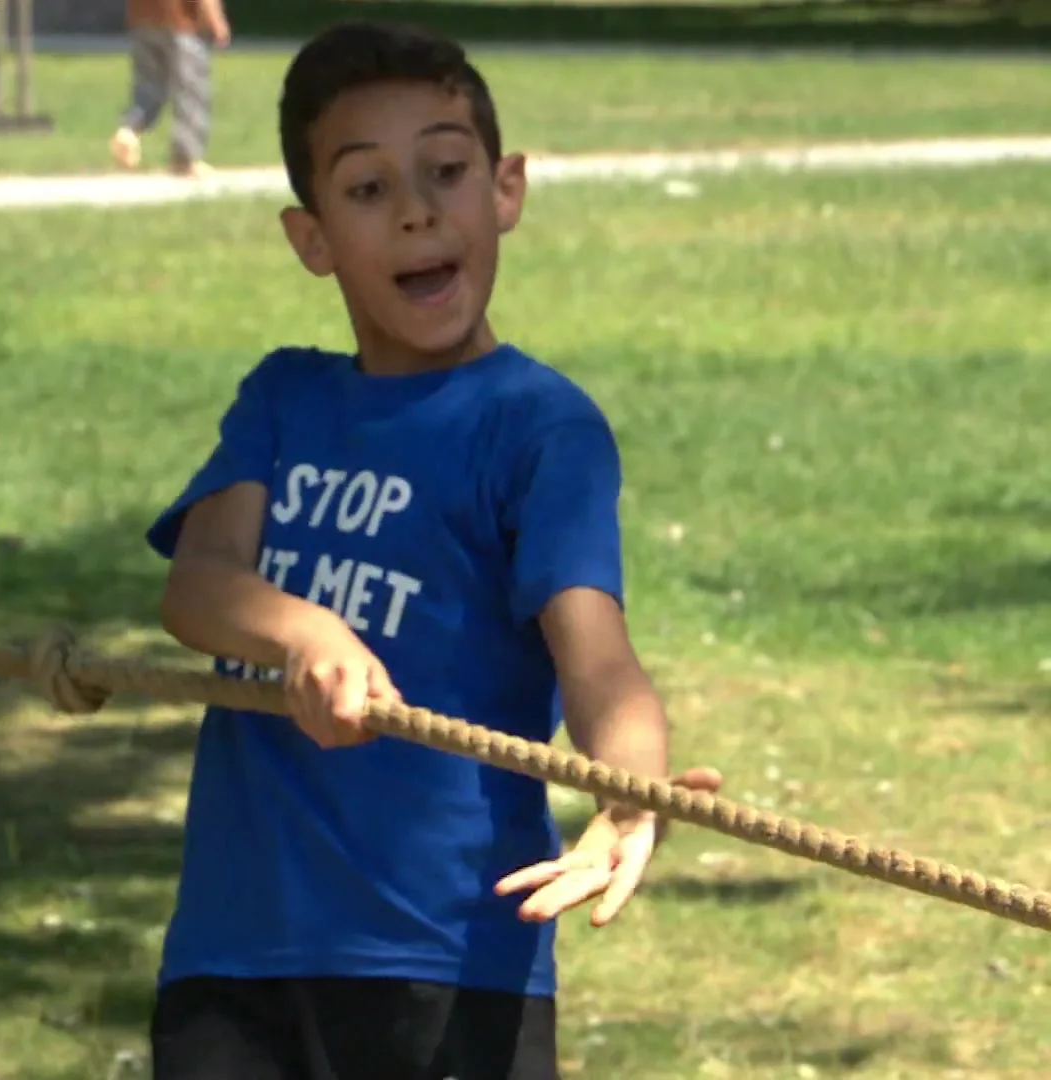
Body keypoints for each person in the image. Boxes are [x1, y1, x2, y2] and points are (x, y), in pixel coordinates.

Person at [142, 22, 724, 1080]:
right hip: (234, 949)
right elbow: (200, 587)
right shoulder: (284, 397)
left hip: (446, 963)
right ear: (311, 236)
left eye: (446, 172)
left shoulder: (540, 427)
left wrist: (631, 794)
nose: (417, 209)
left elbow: (601, 667)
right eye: (367, 191)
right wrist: (303, 629)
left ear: (505, 189)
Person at [109, 0, 231, 179]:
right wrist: (216, 20)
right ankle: (186, 158)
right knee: (191, 91)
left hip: (143, 19)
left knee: (148, 88)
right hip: (183, 22)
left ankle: (129, 129)